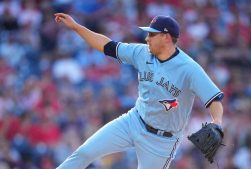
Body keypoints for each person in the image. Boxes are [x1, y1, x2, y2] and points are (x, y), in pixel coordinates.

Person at [54, 13, 224, 169]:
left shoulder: (189, 68)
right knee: (84, 153)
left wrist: (216, 121)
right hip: (133, 120)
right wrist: (77, 27)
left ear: (166, 37)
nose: (147, 38)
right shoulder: (142, 53)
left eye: (152, 34)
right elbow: (107, 46)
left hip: (162, 141)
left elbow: (214, 100)